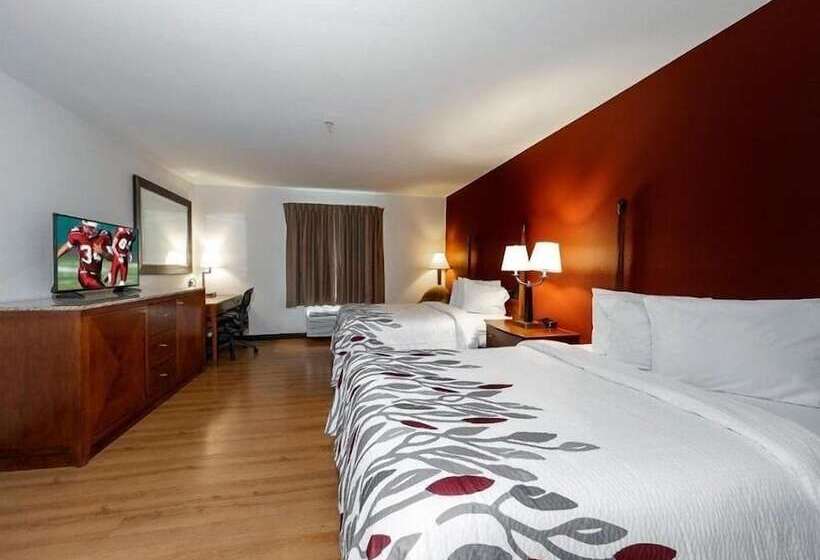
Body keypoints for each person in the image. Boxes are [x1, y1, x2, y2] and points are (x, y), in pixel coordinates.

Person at [55, 220, 112, 290]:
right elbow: (67, 247)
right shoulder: (77, 234)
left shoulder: (104, 236)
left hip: (97, 276)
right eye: (90, 227)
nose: (93, 230)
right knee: (104, 293)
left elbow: (112, 258)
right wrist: (54, 258)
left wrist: (102, 252)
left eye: (94, 227)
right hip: (85, 275)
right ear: (84, 226)